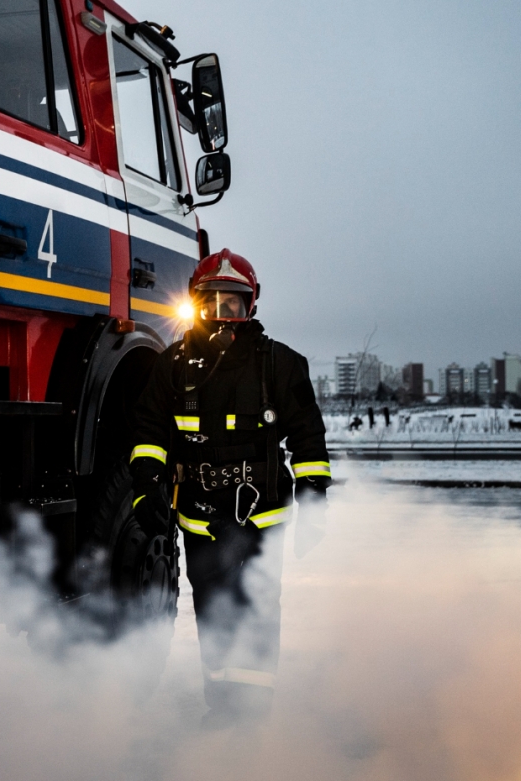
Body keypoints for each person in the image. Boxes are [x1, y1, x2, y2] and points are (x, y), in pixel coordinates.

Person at [128, 249, 331, 728]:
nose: (222, 315)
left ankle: (252, 713)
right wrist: (144, 488)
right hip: (198, 515)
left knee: (257, 606)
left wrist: (315, 497)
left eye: (233, 305)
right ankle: (222, 705)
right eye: (211, 303)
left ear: (251, 307)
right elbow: (149, 431)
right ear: (195, 305)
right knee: (212, 607)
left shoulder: (281, 364)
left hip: (261, 515)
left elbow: (308, 435)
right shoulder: (172, 365)